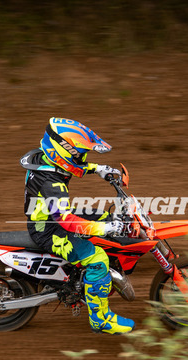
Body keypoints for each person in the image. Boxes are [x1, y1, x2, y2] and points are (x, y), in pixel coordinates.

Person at [20, 117, 135, 334]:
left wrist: (98, 169)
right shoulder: (51, 183)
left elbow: (70, 168)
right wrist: (106, 229)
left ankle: (82, 275)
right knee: (98, 258)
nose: (82, 158)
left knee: (105, 216)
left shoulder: (45, 159)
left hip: (51, 216)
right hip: (48, 230)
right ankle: (100, 320)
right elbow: (67, 221)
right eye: (79, 154)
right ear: (63, 150)